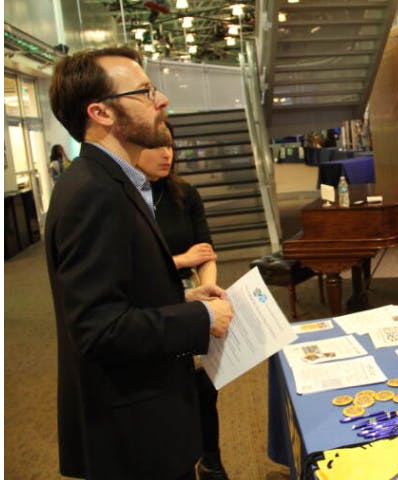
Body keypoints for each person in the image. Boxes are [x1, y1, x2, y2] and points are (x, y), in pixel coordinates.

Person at [45, 46, 233, 480]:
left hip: (142, 419)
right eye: (145, 92)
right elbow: (97, 329)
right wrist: (199, 318)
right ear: (101, 113)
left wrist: (182, 296)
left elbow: (116, 292)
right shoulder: (95, 192)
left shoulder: (111, 182)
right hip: (131, 434)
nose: (161, 99)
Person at [138, 123, 228, 480]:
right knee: (172, 393)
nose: (166, 154)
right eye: (157, 146)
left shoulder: (185, 194)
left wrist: (208, 294)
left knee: (206, 387)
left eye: (171, 146)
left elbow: (206, 252)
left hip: (192, 300)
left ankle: (212, 460)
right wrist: (180, 261)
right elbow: (130, 268)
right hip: (154, 303)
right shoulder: (128, 200)